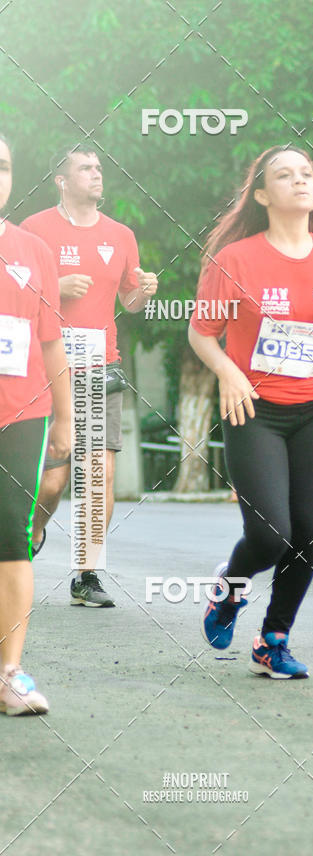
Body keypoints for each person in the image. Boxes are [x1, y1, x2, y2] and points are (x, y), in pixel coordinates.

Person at [189, 145, 313, 678]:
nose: (300, 181)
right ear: (263, 194)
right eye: (284, 175)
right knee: (270, 534)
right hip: (255, 411)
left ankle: (274, 639)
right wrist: (228, 371)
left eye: (307, 173)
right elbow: (201, 332)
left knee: (308, 536)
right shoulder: (236, 259)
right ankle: (229, 591)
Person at [20, 143, 158, 607]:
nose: (97, 174)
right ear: (62, 180)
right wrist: (53, 289)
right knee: (53, 482)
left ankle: (87, 573)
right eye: (85, 168)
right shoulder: (34, 230)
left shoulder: (121, 234)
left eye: (99, 167)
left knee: (98, 476)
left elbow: (130, 302)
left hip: (102, 367)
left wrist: (144, 293)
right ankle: (34, 530)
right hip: (45, 369)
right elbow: (12, 296)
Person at [0, 133, 70, 714]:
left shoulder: (34, 252)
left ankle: (9, 672)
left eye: (1, 166)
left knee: (11, 540)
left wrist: (67, 422)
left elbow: (51, 344)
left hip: (22, 414)